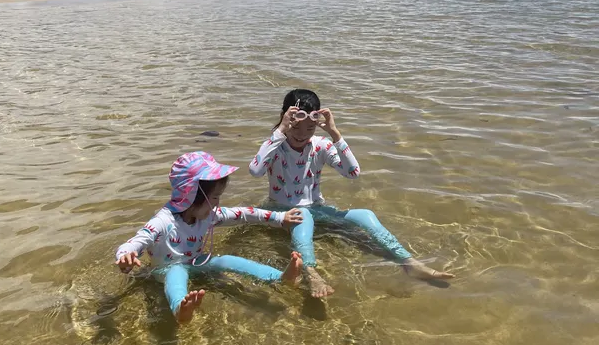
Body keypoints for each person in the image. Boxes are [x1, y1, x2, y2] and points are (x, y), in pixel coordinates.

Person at [249, 89, 454, 298]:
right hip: (283, 212)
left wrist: (335, 133)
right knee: (305, 216)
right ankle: (310, 272)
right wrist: (281, 130)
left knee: (364, 214)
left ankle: (409, 262)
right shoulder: (275, 146)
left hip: (316, 209)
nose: (302, 135)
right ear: (286, 119)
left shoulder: (321, 145)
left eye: (310, 128)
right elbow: (255, 171)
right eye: (296, 128)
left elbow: (353, 173)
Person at [116, 151, 303, 324]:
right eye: (215, 197)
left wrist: (280, 218)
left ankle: (279, 277)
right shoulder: (163, 221)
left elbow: (243, 214)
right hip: (167, 269)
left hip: (197, 261)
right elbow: (139, 240)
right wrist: (126, 255)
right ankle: (181, 308)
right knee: (176, 275)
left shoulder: (208, 215)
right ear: (191, 195)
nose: (218, 203)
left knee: (228, 260)